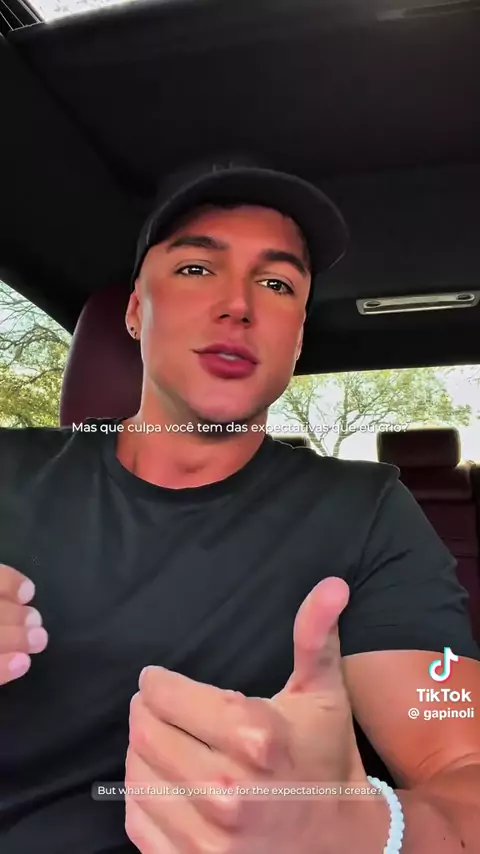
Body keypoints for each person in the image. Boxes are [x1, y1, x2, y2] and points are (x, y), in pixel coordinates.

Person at [0, 159, 479, 854]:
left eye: (277, 283)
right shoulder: (8, 469)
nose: (238, 305)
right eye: (197, 268)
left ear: (298, 338)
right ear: (135, 312)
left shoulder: (368, 511)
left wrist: (357, 829)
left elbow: (464, 773)